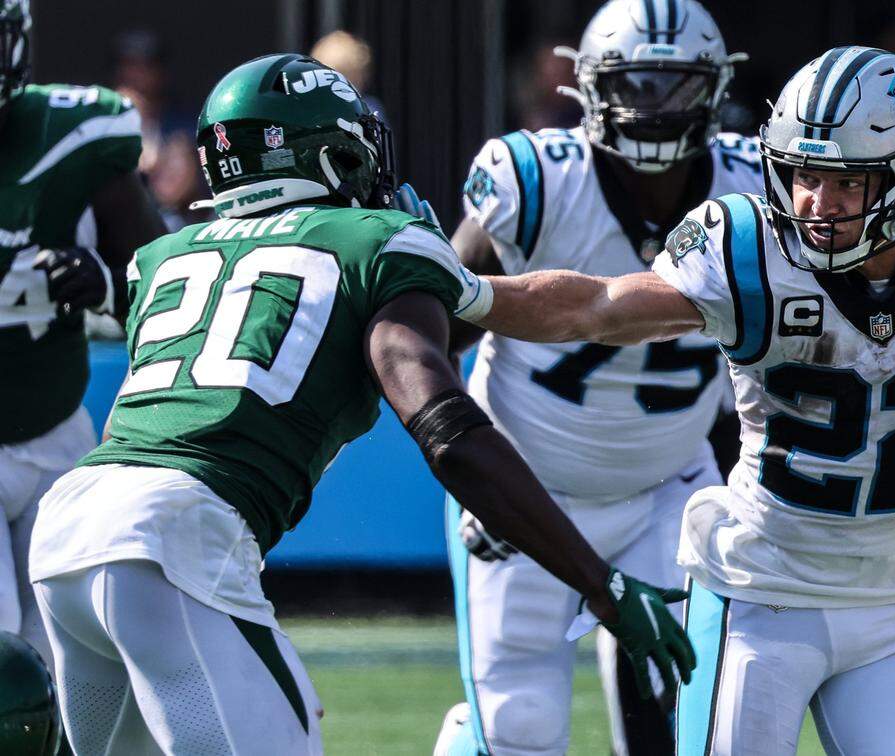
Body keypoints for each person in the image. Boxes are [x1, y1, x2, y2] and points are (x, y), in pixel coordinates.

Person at [25, 53, 693, 755]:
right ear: (334, 153)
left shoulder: (164, 258)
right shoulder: (376, 241)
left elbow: (528, 305)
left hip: (69, 528)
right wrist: (598, 580)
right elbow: (446, 429)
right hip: (176, 535)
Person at [450, 46, 895, 755]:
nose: (815, 204)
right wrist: (471, 292)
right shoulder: (750, 249)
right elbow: (598, 306)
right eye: (803, 175)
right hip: (759, 596)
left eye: (845, 183)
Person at [432, 2, 754, 754]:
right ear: (586, 88)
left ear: (712, 90)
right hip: (527, 490)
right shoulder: (537, 181)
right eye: (634, 85)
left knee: (682, 715)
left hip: (669, 487)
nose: (652, 108)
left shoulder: (755, 185)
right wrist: (475, 483)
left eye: (673, 86)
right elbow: (439, 323)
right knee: (518, 726)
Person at [0, 0, 165, 668]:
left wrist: (105, 282)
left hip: (54, 433)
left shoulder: (76, 133)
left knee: (81, 657)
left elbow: (173, 289)